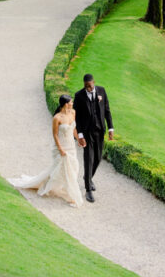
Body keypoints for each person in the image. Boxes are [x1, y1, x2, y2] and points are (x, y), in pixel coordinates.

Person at [9, 94, 84, 207]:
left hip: (71, 146)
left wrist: (78, 139)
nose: (72, 104)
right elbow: (55, 135)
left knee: (73, 168)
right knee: (63, 170)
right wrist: (61, 150)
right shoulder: (57, 118)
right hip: (61, 147)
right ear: (65, 104)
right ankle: (72, 196)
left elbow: (74, 128)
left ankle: (63, 189)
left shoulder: (73, 112)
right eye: (71, 102)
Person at [73, 73, 114, 203]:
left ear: (93, 82)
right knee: (88, 158)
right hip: (87, 132)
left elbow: (107, 110)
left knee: (98, 157)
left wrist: (111, 128)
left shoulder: (102, 91)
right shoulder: (79, 96)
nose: (88, 88)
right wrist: (80, 135)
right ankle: (88, 190)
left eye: (89, 86)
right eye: (85, 86)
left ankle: (88, 177)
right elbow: (77, 117)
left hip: (100, 130)